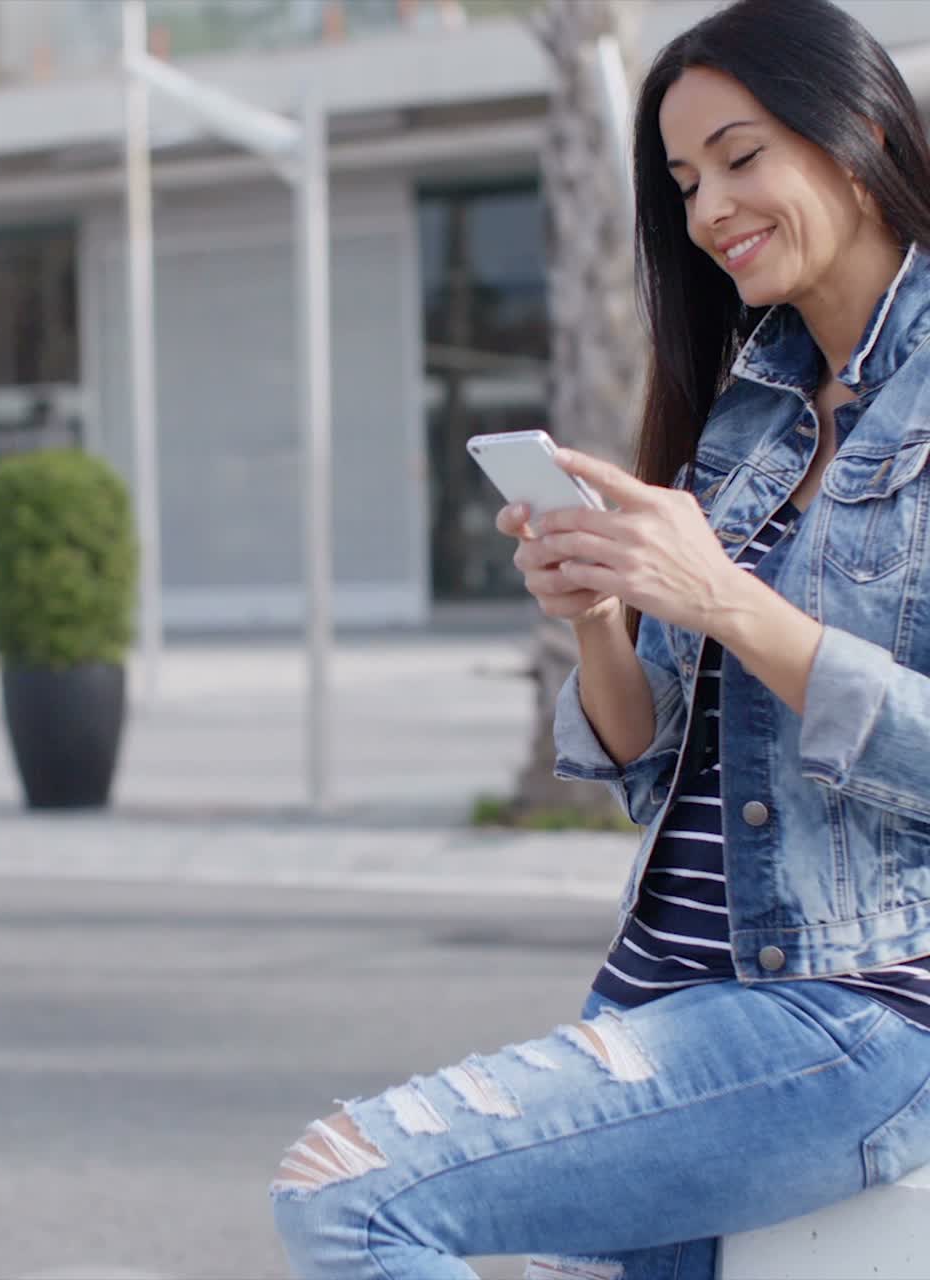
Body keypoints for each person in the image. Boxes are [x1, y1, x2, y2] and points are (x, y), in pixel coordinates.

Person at [269, 1, 930, 1276]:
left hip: (853, 1009)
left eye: (739, 158)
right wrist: (600, 618)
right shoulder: (751, 409)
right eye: (682, 183)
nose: (707, 211)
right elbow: (648, 766)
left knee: (346, 1193)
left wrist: (726, 599)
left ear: (857, 141)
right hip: (666, 993)